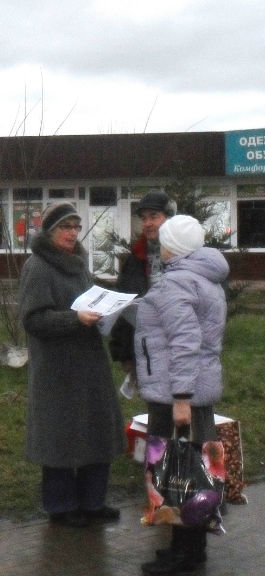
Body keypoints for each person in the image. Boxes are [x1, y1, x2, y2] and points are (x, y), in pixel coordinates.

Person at [18, 201, 126, 527]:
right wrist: (74, 319)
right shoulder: (37, 267)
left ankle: (93, 503)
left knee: (97, 433)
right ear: (50, 231)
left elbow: (88, 301)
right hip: (57, 371)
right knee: (60, 440)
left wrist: (107, 310)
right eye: (66, 227)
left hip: (90, 365)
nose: (73, 233)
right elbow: (33, 319)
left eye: (76, 227)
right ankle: (61, 507)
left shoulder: (78, 264)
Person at [135, 215, 228, 575]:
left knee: (177, 473)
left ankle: (184, 553)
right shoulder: (203, 277)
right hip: (190, 387)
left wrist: (181, 398)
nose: (160, 245)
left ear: (172, 246)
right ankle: (191, 547)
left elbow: (185, 341)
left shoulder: (177, 282)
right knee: (193, 470)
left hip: (176, 391)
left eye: (164, 239)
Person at [110, 190, 177, 375]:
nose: (147, 223)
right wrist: (125, 355)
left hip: (181, 348)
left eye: (154, 216)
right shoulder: (135, 260)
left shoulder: (189, 255)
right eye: (143, 218)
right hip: (145, 352)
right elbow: (122, 308)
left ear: (170, 217)